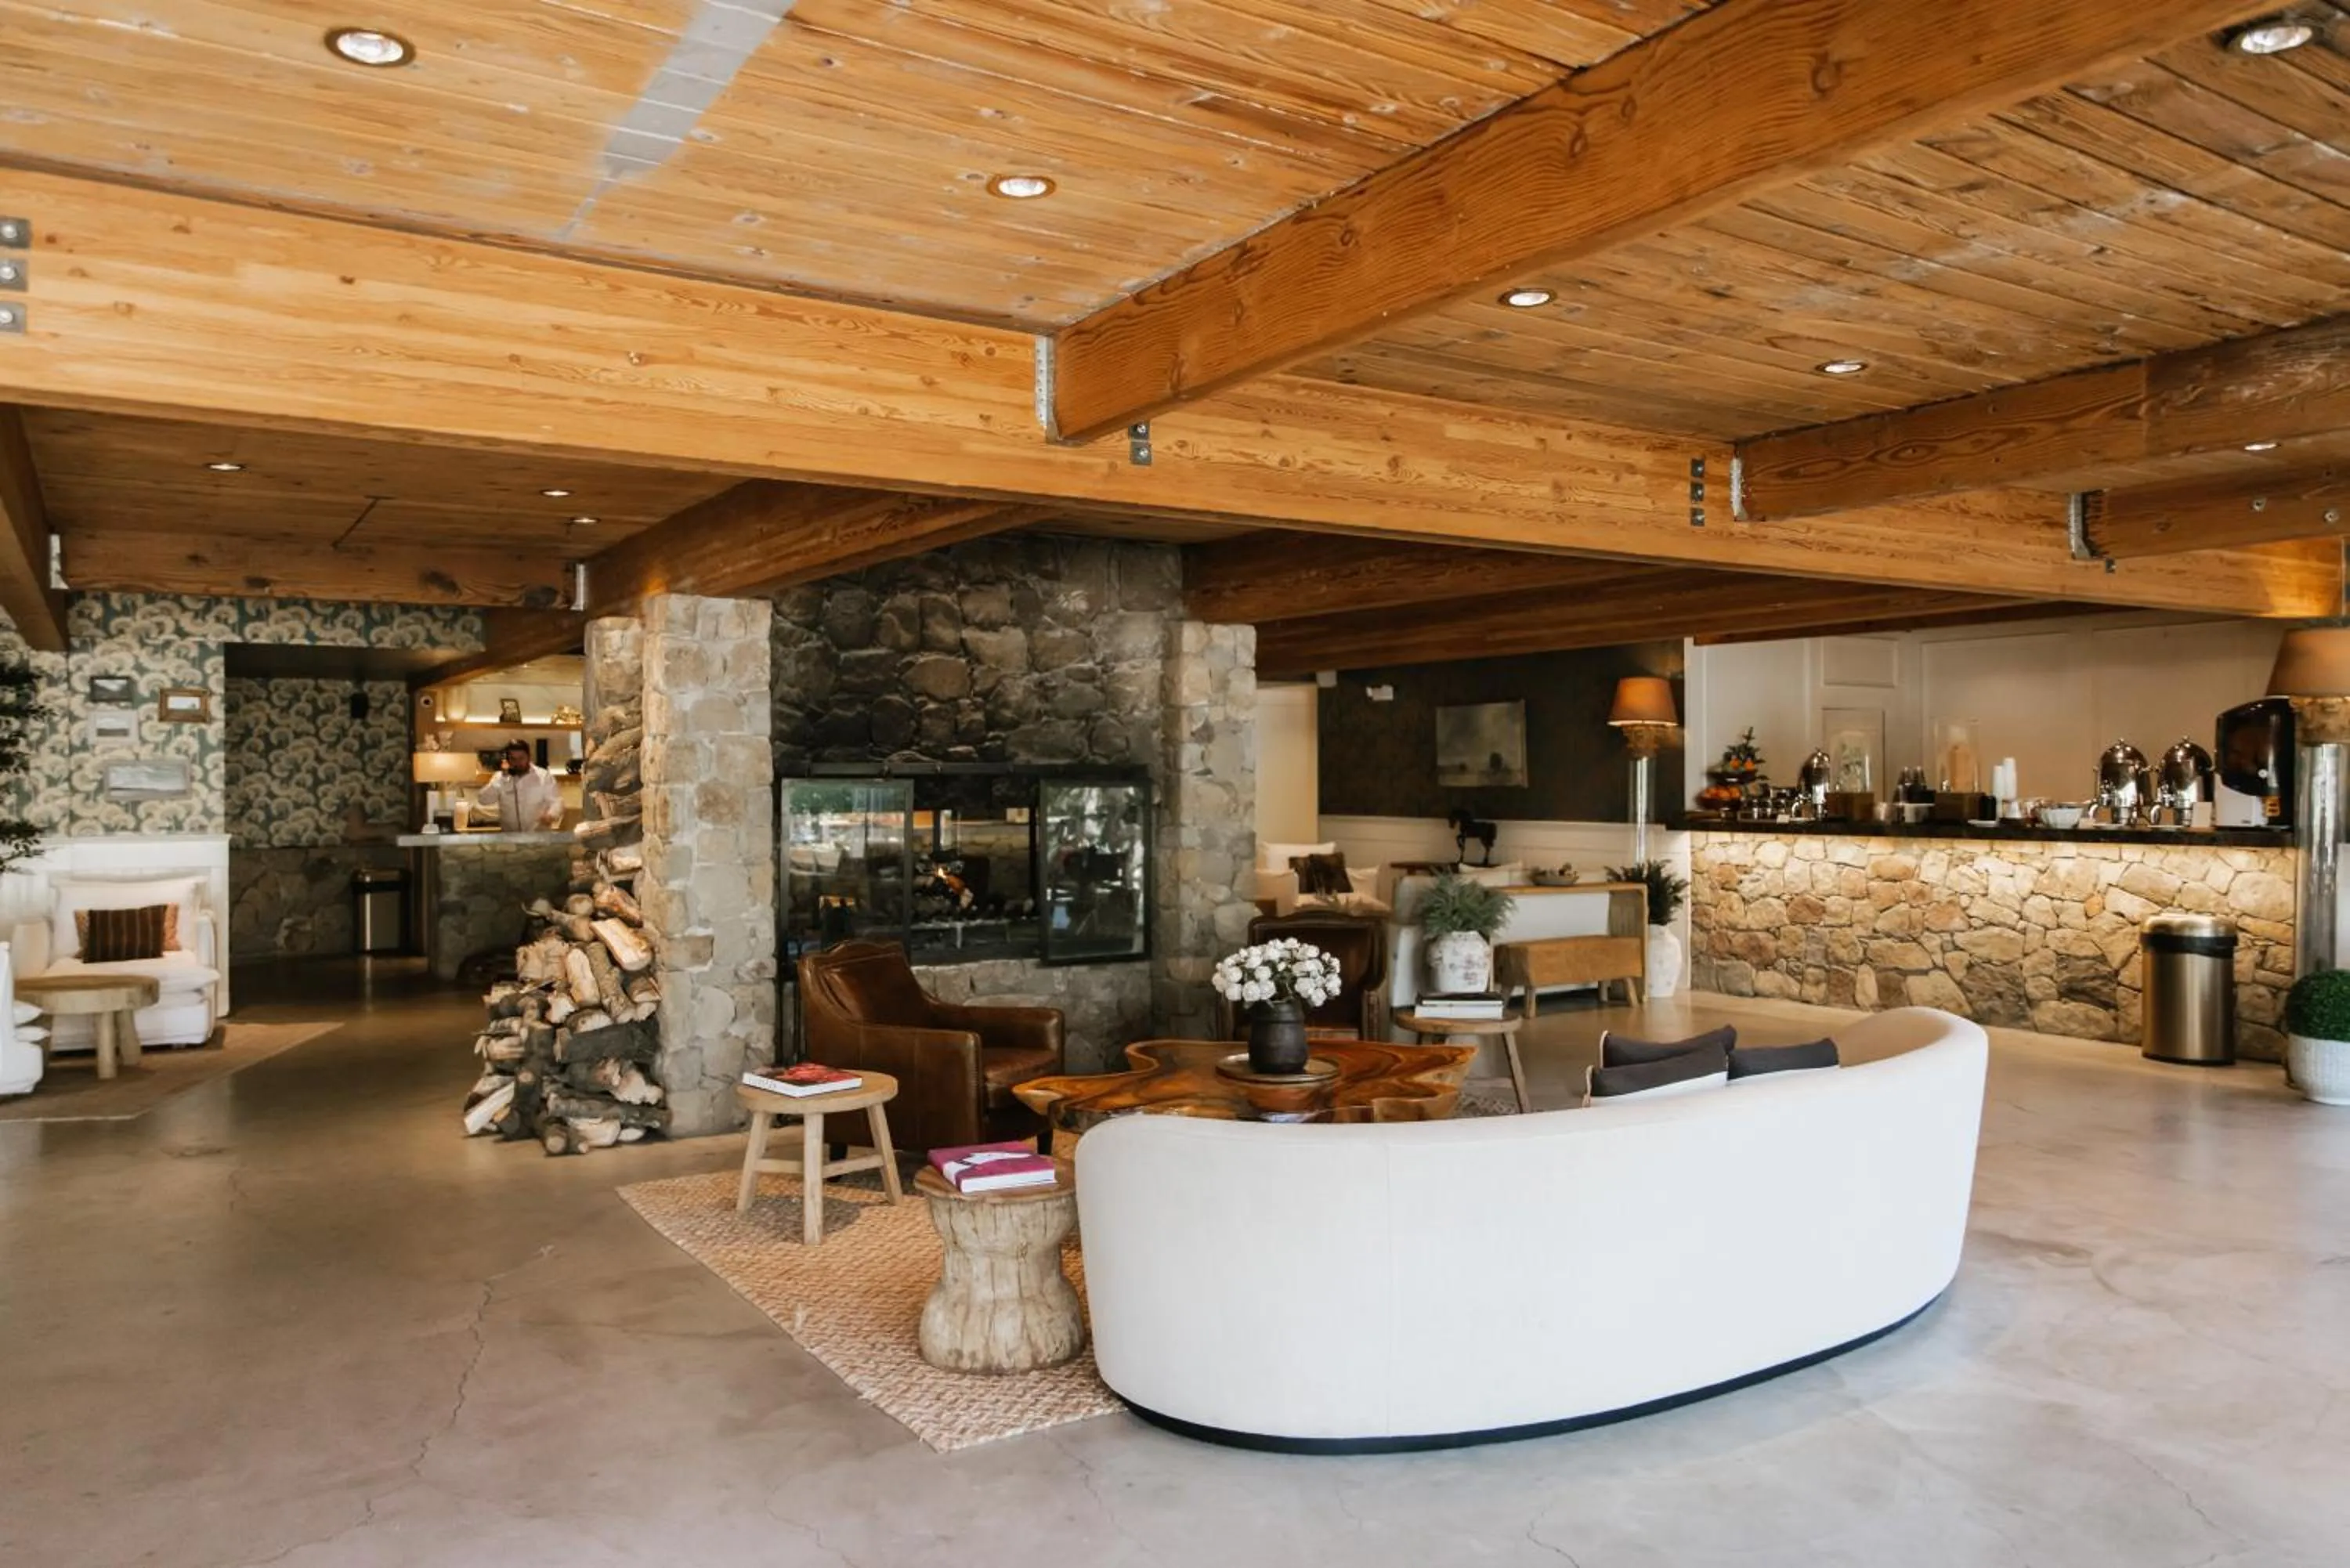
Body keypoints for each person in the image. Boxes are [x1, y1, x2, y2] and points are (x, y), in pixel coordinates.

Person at [476, 740, 564, 831]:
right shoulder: (500, 778)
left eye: (521, 758)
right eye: (513, 759)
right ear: (507, 760)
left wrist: (551, 815)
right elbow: (483, 800)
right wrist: (501, 779)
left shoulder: (544, 776)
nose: (518, 763)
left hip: (538, 838)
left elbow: (557, 802)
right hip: (510, 840)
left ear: (529, 757)